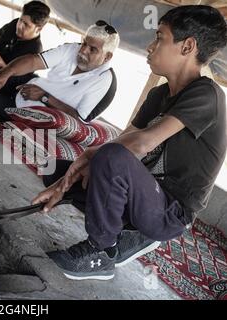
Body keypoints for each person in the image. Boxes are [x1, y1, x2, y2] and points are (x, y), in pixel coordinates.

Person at [30, 5, 227, 281]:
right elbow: (125, 138)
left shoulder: (207, 95)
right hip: (141, 189)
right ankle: (127, 230)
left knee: (110, 157)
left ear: (188, 47)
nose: (150, 46)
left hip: (169, 210)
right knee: (56, 169)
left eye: (160, 37)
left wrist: (90, 160)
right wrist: (66, 179)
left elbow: (140, 144)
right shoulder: (159, 93)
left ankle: (101, 251)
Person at [0, 20, 120, 121]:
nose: (83, 50)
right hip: (30, 85)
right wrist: (4, 73)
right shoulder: (71, 49)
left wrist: (44, 97)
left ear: (107, 56)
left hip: (35, 111)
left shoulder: (105, 81)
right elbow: (33, 61)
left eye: (92, 49)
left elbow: (79, 120)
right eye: (84, 43)